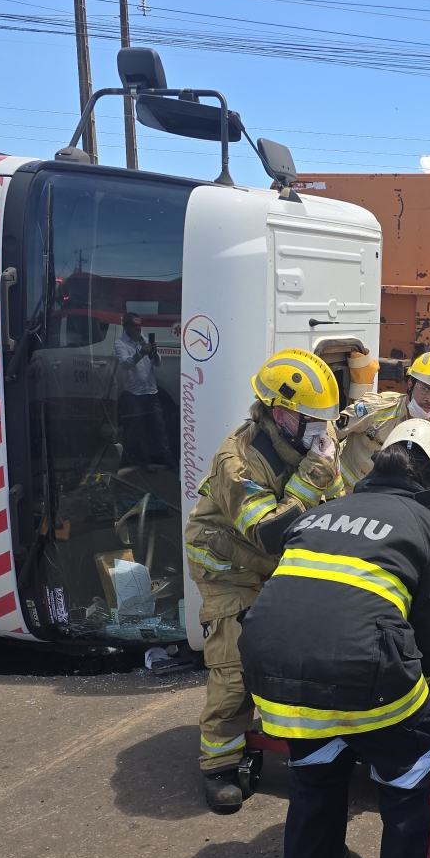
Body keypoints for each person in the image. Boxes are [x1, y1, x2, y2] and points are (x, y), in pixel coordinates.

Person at [238, 419, 430, 858]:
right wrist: (416, 672)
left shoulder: (329, 508)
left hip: (270, 669)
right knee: (412, 773)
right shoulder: (422, 523)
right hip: (366, 674)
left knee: (316, 770)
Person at [185, 349, 343, 814]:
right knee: (234, 665)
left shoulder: (311, 435)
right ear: (280, 413)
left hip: (273, 563)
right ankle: (219, 763)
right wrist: (315, 476)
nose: (323, 431)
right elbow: (270, 533)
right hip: (228, 567)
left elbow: (334, 498)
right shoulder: (238, 461)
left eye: (324, 420)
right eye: (313, 420)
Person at [336, 350, 430, 492]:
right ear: (410, 383)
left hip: (380, 502)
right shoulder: (376, 408)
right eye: (425, 388)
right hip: (342, 490)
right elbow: (333, 432)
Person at [114, 311, 172, 470]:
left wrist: (153, 353)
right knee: (135, 431)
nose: (138, 329)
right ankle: (138, 463)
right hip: (134, 393)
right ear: (126, 327)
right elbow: (126, 363)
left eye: (139, 325)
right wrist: (141, 353)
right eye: (134, 326)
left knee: (158, 428)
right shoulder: (120, 343)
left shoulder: (145, 341)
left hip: (151, 391)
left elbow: (158, 363)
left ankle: (166, 462)